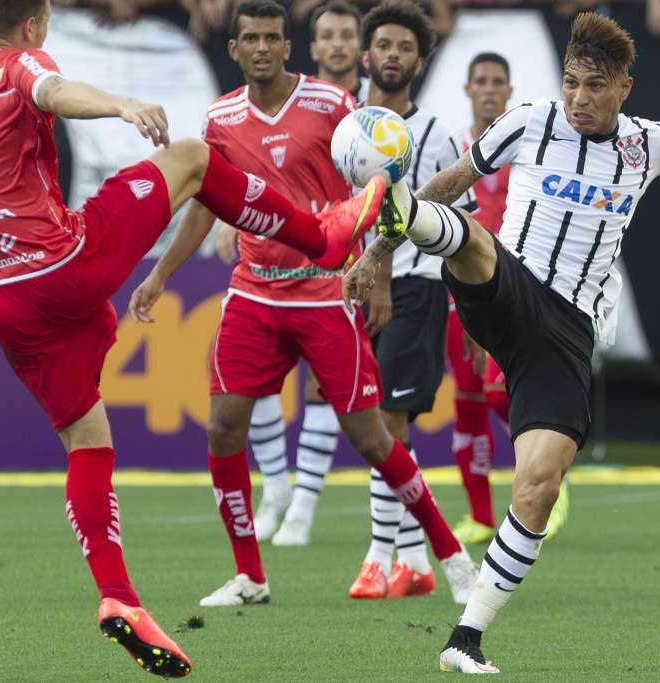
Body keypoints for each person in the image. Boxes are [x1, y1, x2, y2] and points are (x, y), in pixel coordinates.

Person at [0, 2, 386, 677]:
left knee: (87, 440)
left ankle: (119, 596)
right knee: (196, 158)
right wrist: (121, 104)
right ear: (34, 25)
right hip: (61, 264)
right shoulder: (25, 62)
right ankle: (322, 235)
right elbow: (53, 90)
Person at [343, 12, 660, 674]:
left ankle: (464, 639)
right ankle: (387, 209)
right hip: (512, 283)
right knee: (473, 236)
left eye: (594, 85)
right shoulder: (532, 120)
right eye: (571, 83)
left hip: (565, 334)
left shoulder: (650, 145)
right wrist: (383, 250)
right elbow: (455, 182)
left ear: (625, 86)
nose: (579, 98)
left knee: (538, 486)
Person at [128, 0, 477, 609]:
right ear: (233, 50)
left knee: (372, 439)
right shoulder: (221, 119)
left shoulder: (334, 107)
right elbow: (208, 204)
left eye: (272, 37)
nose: (262, 48)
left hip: (323, 290)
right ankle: (250, 576)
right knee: (222, 426)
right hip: (254, 289)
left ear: (289, 46)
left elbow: (381, 186)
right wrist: (160, 274)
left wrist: (380, 269)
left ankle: (450, 555)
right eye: (250, 39)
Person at [220, 0, 368, 548]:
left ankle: (304, 505)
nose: (336, 44)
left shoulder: (351, 110)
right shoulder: (232, 114)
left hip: (335, 271)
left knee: (338, 399)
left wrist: (373, 262)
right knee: (248, 385)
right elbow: (231, 179)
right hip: (262, 274)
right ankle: (278, 489)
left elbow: (371, 189)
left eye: (345, 35)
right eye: (326, 34)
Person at [346, 0, 471, 602]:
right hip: (351, 287)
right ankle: (417, 560)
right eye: (384, 46)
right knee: (379, 429)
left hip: (416, 289)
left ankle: (377, 558)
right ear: (366, 55)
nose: (392, 56)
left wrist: (470, 303)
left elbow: (461, 222)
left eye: (405, 48)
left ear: (419, 61)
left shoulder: (440, 134)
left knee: (387, 423)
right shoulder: (346, 128)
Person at [444, 52, 571, 546]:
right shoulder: (455, 151)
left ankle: (551, 476)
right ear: (468, 90)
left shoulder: (528, 153)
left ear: (509, 92)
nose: (490, 89)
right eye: (481, 81)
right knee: (468, 404)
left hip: (517, 291)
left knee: (503, 394)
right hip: (463, 292)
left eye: (498, 81)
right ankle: (479, 515)